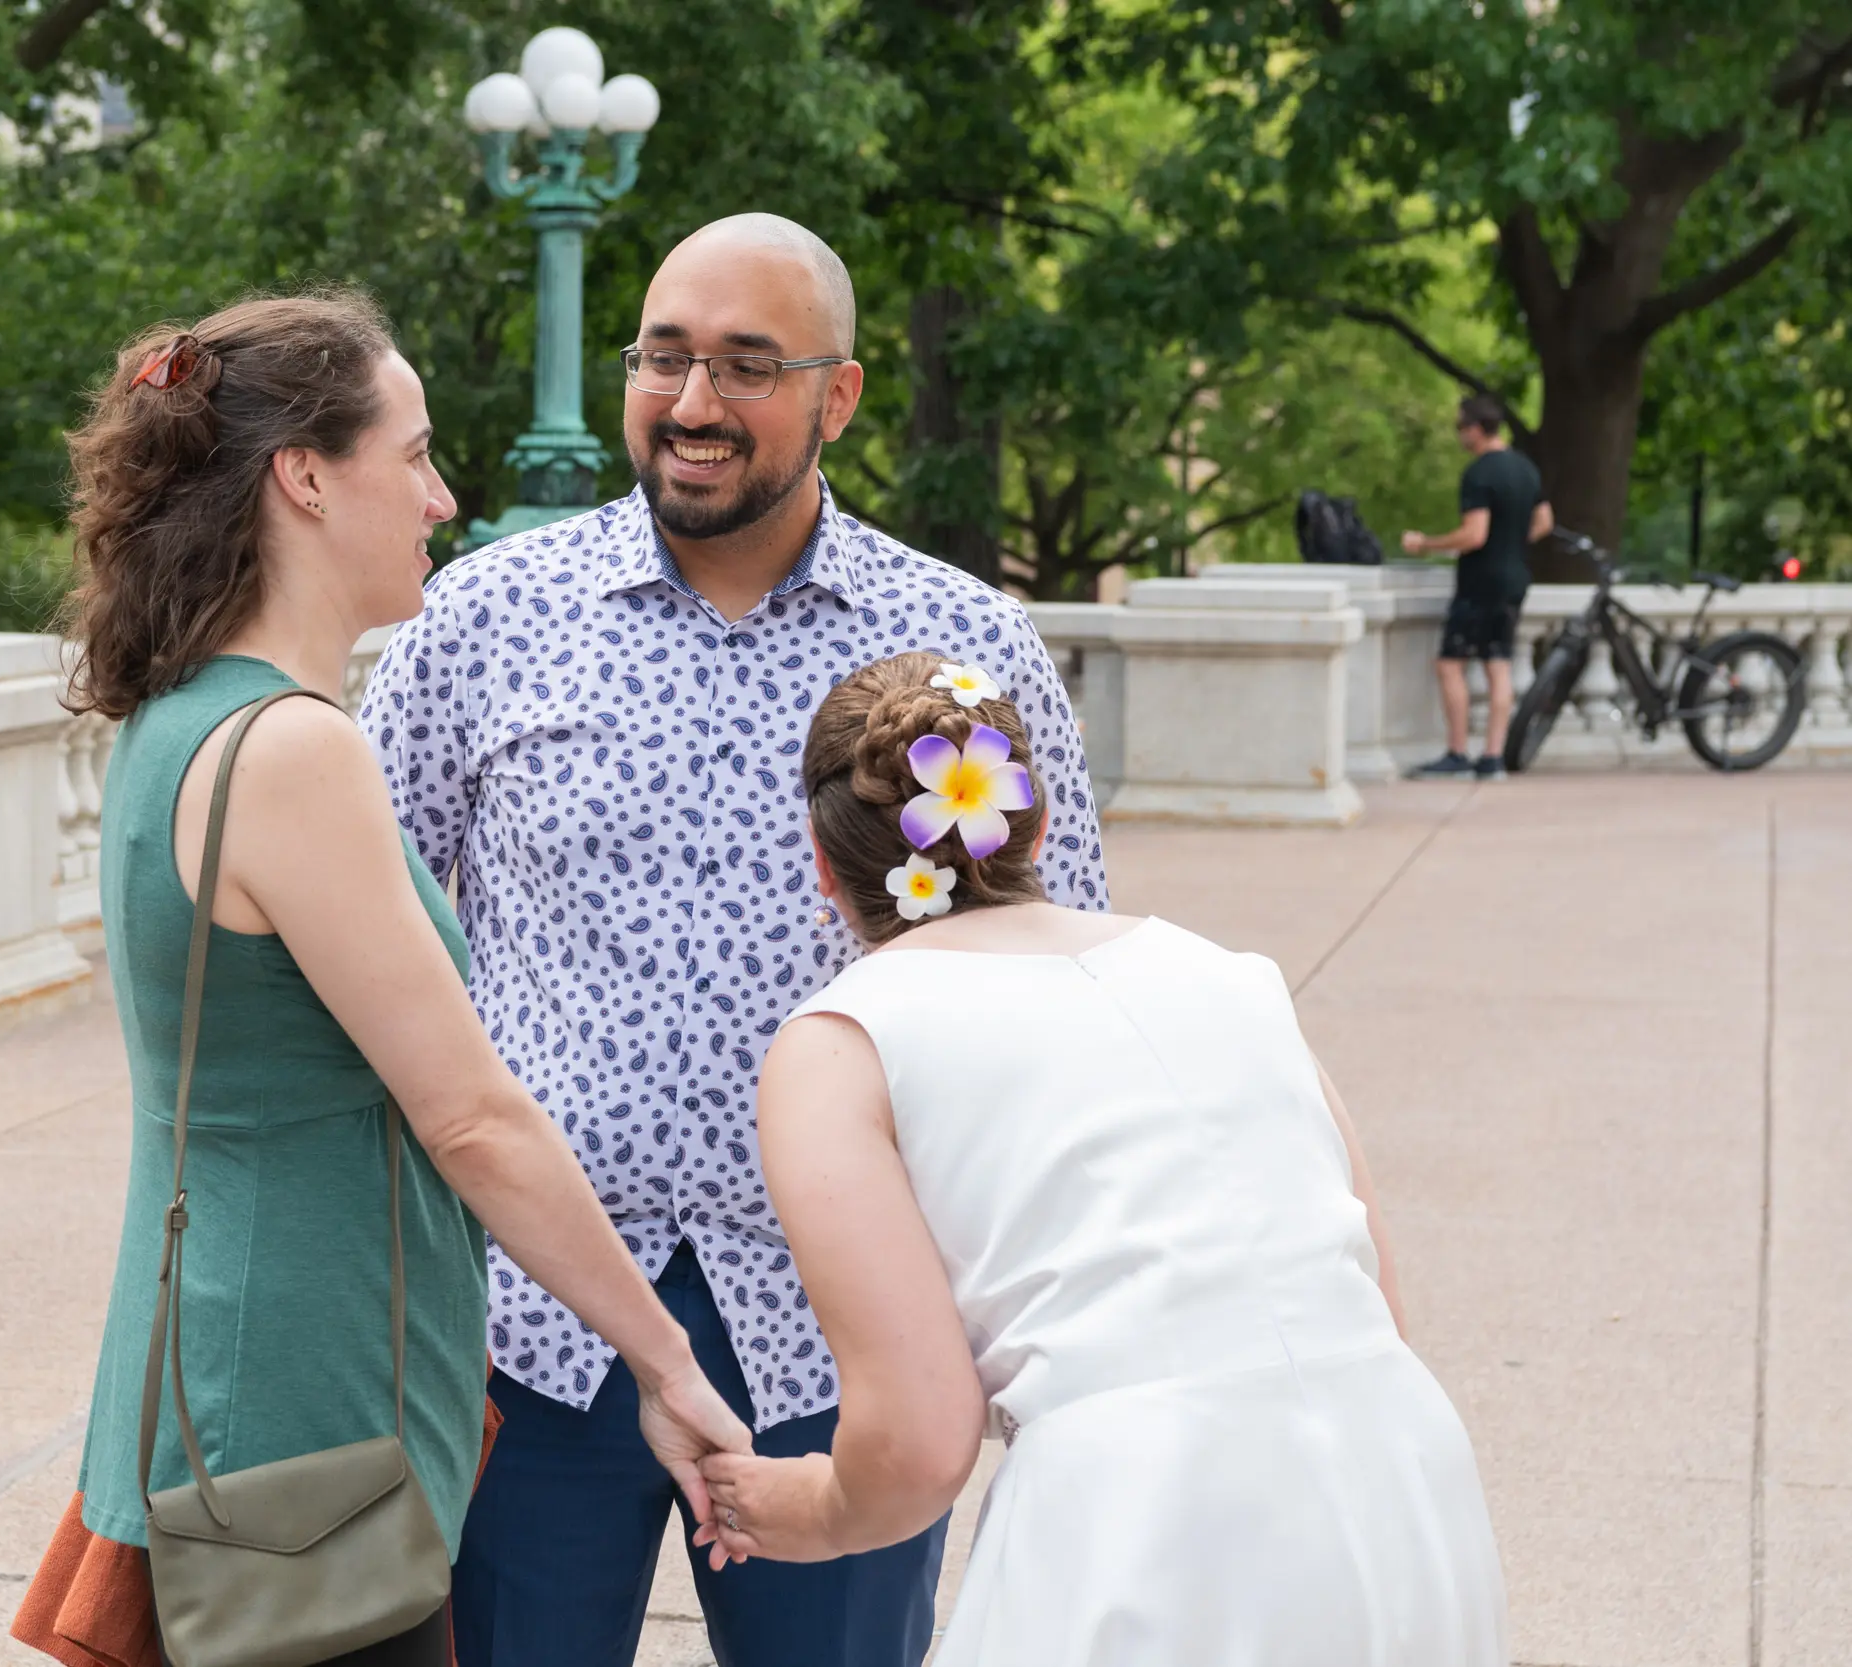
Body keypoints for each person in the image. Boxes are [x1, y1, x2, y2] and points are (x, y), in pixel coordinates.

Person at [359, 215, 1106, 1667]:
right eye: (664, 357)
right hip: (535, 1320)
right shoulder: (485, 619)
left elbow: (1052, 985)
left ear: (839, 396)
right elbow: (368, 924)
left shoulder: (967, 648)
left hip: (847, 1326)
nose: (693, 403)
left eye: (747, 366)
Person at [14, 293, 751, 1667]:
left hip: (228, 1384)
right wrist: (665, 1359)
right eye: (411, 455)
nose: (443, 494)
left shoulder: (181, 720)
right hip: (308, 1418)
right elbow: (472, 1115)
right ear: (303, 475)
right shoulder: (294, 750)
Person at [696, 650, 1509, 1666]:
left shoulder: (841, 1040)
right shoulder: (1228, 975)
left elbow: (918, 1439)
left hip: (1145, 1521)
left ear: (823, 865)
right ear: (1035, 826)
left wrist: (809, 1506)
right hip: (1401, 1481)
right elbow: (1376, 1303)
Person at [1401, 394, 1554, 778]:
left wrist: (1426, 543)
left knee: (1450, 664)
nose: (1458, 436)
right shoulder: (1526, 469)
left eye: (1459, 427)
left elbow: (1474, 535)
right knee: (1499, 665)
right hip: (1516, 577)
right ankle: (1492, 757)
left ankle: (1456, 752)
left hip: (1480, 582)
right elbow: (1544, 522)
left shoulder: (1480, 473)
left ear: (1474, 428)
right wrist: (1514, 542)